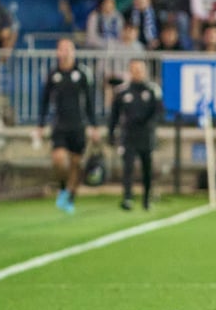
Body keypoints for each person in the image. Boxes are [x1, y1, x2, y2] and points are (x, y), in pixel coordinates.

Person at [37, 39, 97, 213]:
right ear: (57, 52)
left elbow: (89, 102)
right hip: (60, 125)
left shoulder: (83, 73)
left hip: (78, 125)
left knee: (76, 164)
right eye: (61, 49)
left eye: (68, 49)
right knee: (59, 159)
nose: (65, 52)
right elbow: (45, 101)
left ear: (74, 52)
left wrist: (93, 125)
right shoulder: (53, 75)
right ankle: (63, 188)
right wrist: (40, 125)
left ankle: (70, 197)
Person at [107, 59, 163, 210]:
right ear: (130, 71)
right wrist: (111, 134)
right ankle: (127, 198)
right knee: (128, 167)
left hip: (146, 134)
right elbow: (114, 115)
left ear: (145, 71)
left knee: (147, 168)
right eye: (134, 69)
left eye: (140, 69)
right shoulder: (122, 91)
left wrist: (149, 123)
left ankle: (146, 199)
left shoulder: (152, 90)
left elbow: (158, 112)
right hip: (128, 134)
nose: (137, 72)